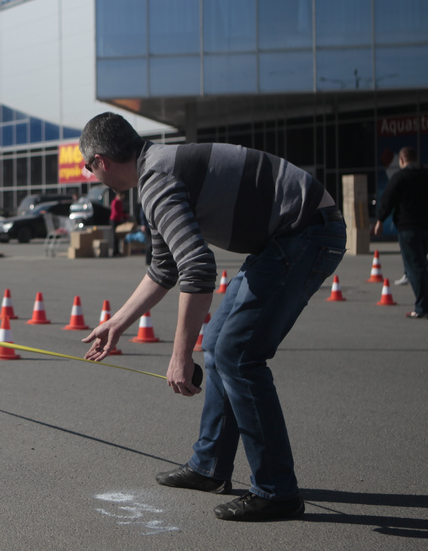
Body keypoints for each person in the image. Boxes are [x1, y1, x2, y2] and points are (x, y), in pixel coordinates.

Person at [79, 112, 345, 522]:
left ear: (101, 160)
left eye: (87, 166)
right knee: (221, 346)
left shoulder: (157, 181)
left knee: (238, 354)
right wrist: (119, 323)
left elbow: (198, 268)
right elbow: (164, 268)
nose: (90, 174)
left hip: (306, 232)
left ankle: (277, 492)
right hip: (287, 236)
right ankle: (209, 467)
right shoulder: (157, 169)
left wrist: (180, 356)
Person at [372, 147, 428, 319]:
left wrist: (379, 222)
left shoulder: (400, 177)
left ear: (401, 160)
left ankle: (423, 308)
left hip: (409, 229)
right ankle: (423, 305)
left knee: (415, 267)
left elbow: (387, 200)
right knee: (419, 263)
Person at [109, 189, 126, 257]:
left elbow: (121, 212)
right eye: (122, 196)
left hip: (118, 220)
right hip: (114, 220)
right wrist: (123, 216)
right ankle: (114, 252)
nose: (122, 198)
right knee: (114, 236)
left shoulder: (119, 202)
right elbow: (116, 213)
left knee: (118, 236)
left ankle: (117, 251)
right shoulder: (115, 202)